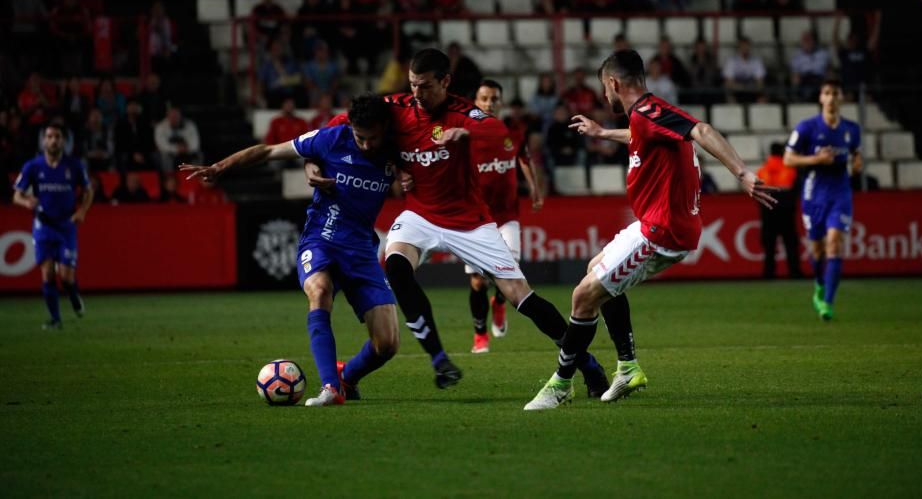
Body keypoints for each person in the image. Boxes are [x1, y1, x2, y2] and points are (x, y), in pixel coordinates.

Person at [320, 49, 609, 394]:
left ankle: (588, 364)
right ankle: (438, 359)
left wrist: (466, 135)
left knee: (520, 296)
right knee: (395, 266)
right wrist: (313, 158)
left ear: (445, 82)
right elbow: (344, 121)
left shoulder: (463, 113)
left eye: (425, 86)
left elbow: (493, 128)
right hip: (420, 215)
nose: (416, 93)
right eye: (412, 85)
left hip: (471, 222)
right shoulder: (396, 107)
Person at [523, 49, 776, 409]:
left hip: (663, 231)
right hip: (650, 224)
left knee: (582, 297)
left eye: (604, 88)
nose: (604, 96)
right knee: (596, 269)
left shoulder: (649, 111)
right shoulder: (646, 118)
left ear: (613, 83)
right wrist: (601, 131)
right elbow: (639, 135)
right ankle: (627, 367)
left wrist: (742, 174)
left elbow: (701, 129)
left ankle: (560, 384)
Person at [181, 94, 401, 406]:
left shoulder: (398, 148)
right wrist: (220, 167)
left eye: (373, 138)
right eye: (359, 137)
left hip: (362, 250)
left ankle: (346, 378)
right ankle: (330, 388)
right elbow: (270, 150)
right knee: (320, 290)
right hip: (321, 239)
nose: (366, 145)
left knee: (388, 344)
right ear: (350, 126)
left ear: (385, 129)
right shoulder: (331, 138)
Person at [462, 80, 543, 353]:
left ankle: (500, 303)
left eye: (494, 99)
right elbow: (434, 133)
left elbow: (523, 158)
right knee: (477, 281)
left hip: (508, 215)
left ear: (501, 102)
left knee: (509, 273)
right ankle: (480, 334)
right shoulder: (464, 131)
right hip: (476, 219)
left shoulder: (513, 131)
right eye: (484, 98)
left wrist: (533, 188)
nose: (489, 104)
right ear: (475, 101)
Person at [784, 79, 862, 321]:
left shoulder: (851, 129)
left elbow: (856, 155)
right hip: (813, 193)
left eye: (835, 93)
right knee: (817, 250)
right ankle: (819, 283)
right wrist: (815, 160)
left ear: (841, 98)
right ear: (820, 98)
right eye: (826, 93)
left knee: (835, 243)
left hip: (840, 191)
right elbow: (788, 159)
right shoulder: (807, 127)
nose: (830, 98)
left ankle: (828, 302)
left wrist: (857, 164)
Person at [12, 123, 94, 329]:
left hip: (66, 225)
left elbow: (88, 191)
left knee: (66, 278)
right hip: (43, 226)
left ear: (63, 141)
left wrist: (82, 211)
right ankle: (55, 319)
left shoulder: (74, 165)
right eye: (49, 136)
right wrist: (27, 202)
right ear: (43, 141)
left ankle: (73, 294)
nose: (53, 140)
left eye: (57, 136)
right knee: (48, 273)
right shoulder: (33, 166)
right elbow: (16, 196)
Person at [757, 143, 803, 280]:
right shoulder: (790, 169)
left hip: (768, 209)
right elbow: (796, 188)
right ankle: (794, 272)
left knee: (769, 243)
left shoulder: (762, 170)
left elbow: (757, 190)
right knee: (790, 242)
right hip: (786, 209)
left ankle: (768, 273)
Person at [155, 107, 202, 173]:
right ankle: (169, 179)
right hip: (170, 153)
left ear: (180, 116)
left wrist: (187, 149)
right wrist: (176, 149)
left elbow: (195, 144)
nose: (174, 119)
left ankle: (196, 176)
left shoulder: (190, 125)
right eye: (172, 117)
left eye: (176, 116)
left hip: (187, 152)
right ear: (167, 117)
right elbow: (162, 145)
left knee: (198, 154)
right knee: (165, 156)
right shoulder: (161, 127)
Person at [790, 30, 831, 101]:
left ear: (814, 41)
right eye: (805, 40)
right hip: (804, 80)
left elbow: (828, 68)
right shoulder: (797, 56)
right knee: (799, 83)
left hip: (819, 79)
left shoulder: (823, 54)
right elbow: (795, 72)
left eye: (809, 39)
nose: (807, 42)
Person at [723, 37, 766, 103]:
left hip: (752, 91)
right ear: (739, 48)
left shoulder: (756, 61)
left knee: (762, 99)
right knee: (730, 97)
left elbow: (760, 82)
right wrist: (743, 87)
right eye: (742, 46)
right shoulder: (731, 61)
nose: (745, 49)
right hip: (737, 91)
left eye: (747, 46)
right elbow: (729, 83)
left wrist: (750, 87)